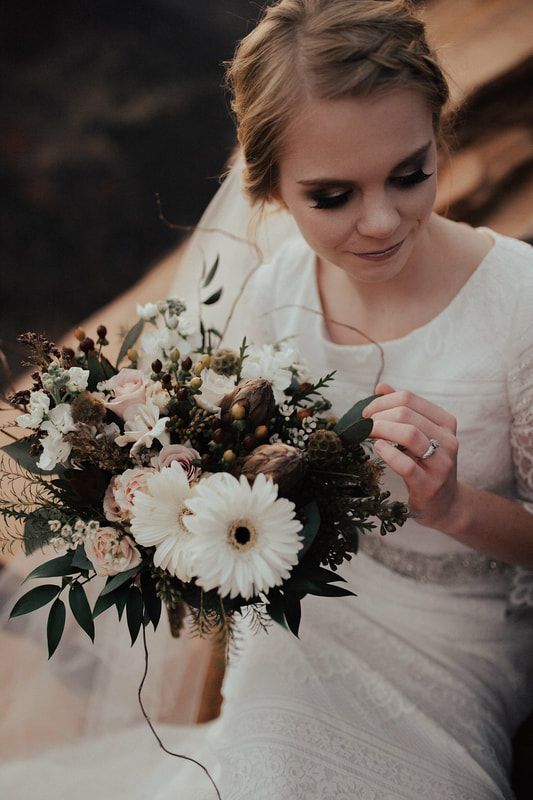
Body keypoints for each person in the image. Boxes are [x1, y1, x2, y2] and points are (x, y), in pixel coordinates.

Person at [1, 1, 532, 798]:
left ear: (438, 139)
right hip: (303, 612)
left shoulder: (518, 303)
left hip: (461, 638)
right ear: (271, 187)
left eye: (409, 173)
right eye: (331, 196)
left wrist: (453, 505)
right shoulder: (276, 286)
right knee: (263, 751)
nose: (381, 220)